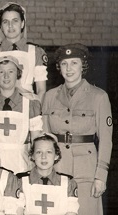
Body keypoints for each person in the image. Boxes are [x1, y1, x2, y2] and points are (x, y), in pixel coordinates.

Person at [41, 44, 111, 215]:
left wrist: (100, 176)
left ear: (83, 66)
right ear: (59, 68)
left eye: (74, 63)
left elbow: (106, 140)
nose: (69, 68)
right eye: (64, 64)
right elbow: (43, 138)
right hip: (56, 169)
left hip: (86, 172)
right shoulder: (50, 96)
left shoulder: (99, 96)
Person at [0, 55, 42, 174]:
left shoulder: (31, 104)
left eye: (11, 71)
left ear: (18, 75)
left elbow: (37, 142)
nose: (6, 76)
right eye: (1, 72)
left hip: (22, 167)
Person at [0, 2, 48, 101]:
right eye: (5, 22)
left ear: (22, 23)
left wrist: (37, 111)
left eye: (15, 21)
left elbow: (41, 90)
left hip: (26, 104)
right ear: (1, 27)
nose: (10, 26)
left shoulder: (36, 52)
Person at [16, 134, 79, 215]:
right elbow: (18, 210)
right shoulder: (21, 181)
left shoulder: (68, 183)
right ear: (32, 156)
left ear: (56, 155)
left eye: (49, 152)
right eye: (39, 152)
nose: (43, 157)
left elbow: (72, 211)